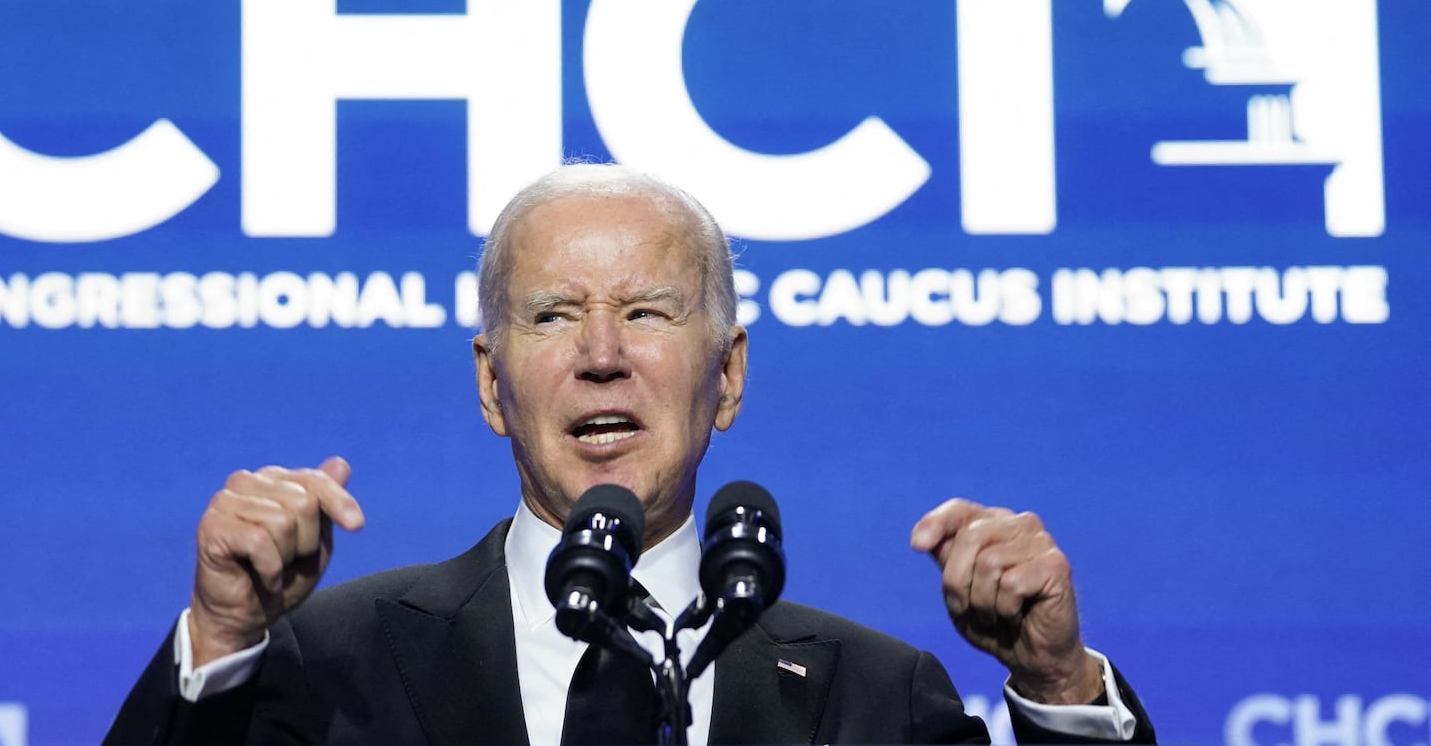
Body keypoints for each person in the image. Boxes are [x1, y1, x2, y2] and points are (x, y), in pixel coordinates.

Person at [104, 163, 1154, 744]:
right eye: (553, 316)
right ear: (491, 385)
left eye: (647, 312)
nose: (601, 357)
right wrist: (223, 632)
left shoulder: (875, 700)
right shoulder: (330, 666)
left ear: (727, 376)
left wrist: (1057, 683)